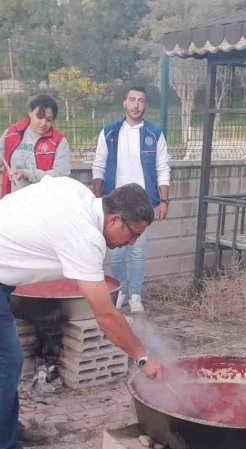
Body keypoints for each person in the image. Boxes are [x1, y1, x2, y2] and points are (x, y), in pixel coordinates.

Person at [0, 177, 166, 449]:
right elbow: (107, 316)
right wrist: (142, 357)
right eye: (133, 234)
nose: (132, 243)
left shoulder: (77, 191)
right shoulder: (86, 237)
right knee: (5, 359)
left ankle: (5, 425)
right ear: (114, 220)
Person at [92, 86, 171, 314]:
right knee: (115, 252)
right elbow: (98, 166)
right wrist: (97, 197)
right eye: (132, 100)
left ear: (146, 106)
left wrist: (164, 201)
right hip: (114, 204)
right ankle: (121, 292)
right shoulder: (109, 133)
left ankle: (135, 295)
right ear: (124, 103)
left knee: (137, 252)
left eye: (141, 101)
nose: (136, 105)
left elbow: (162, 168)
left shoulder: (154, 135)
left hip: (143, 206)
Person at [0, 94, 71, 197]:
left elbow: (61, 176)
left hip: (44, 204)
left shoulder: (59, 141)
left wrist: (28, 173)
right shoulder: (12, 133)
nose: (43, 123)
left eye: (49, 120)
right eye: (39, 116)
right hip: (15, 204)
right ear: (30, 112)